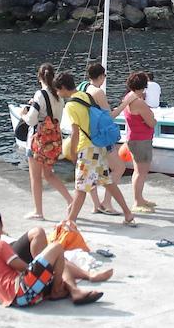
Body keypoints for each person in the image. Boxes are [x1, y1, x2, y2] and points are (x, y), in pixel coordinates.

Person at [0, 208, 110, 306]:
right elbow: (21, 267)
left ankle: (69, 288)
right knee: (56, 247)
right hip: (20, 291)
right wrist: (44, 268)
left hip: (11, 297)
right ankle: (59, 289)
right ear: (1, 225)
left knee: (55, 259)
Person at [56, 72, 136, 227]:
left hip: (86, 149)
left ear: (64, 88)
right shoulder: (84, 95)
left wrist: (72, 153)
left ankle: (70, 221)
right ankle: (127, 213)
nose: (58, 93)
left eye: (58, 90)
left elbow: (75, 132)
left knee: (80, 188)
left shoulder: (70, 105)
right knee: (107, 182)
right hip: (97, 146)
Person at [19, 63, 73, 220]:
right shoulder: (57, 96)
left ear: (39, 77)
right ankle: (70, 200)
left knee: (35, 177)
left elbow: (30, 120)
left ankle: (38, 211)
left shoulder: (40, 94)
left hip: (38, 141)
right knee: (48, 174)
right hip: (53, 141)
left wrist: (23, 114)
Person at [78, 63, 125, 215]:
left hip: (87, 136)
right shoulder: (98, 92)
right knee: (119, 168)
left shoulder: (83, 87)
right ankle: (107, 202)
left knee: (92, 171)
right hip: (101, 138)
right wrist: (125, 103)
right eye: (104, 76)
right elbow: (109, 116)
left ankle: (96, 205)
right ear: (100, 77)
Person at [119, 71, 157, 212]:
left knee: (137, 171)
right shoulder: (139, 103)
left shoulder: (128, 97)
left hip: (133, 138)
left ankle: (139, 198)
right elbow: (151, 122)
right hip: (141, 140)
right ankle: (137, 202)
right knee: (141, 172)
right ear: (142, 87)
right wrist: (153, 119)